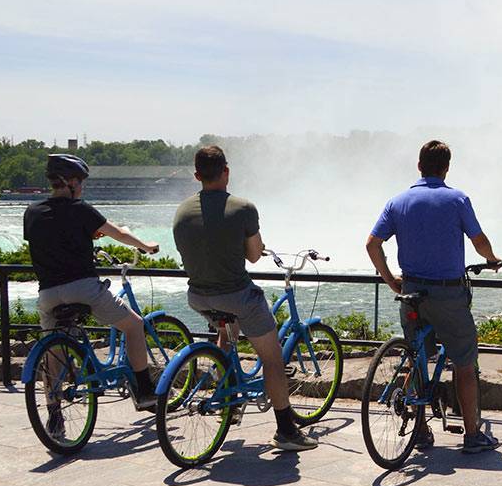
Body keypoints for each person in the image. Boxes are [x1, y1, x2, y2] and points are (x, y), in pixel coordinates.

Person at [172, 145, 317, 452]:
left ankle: (228, 398)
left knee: (226, 333)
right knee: (273, 360)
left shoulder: (181, 211)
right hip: (238, 296)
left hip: (198, 296)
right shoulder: (243, 208)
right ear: (226, 171)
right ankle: (286, 431)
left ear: (197, 175)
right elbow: (253, 256)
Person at [366, 139, 502, 455]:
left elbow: (373, 244)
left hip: (410, 291)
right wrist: (493, 259)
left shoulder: (397, 202)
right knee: (465, 364)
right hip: (448, 294)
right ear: (446, 168)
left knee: (416, 359)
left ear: (418, 166)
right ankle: (472, 436)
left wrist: (390, 281)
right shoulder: (457, 199)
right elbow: (478, 240)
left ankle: (421, 430)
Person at [24, 154, 162, 424]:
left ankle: (54, 412)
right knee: (134, 326)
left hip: (48, 293)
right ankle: (145, 392)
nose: (82, 187)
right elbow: (119, 234)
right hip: (83, 288)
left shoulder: (32, 212)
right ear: (71, 182)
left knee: (52, 351)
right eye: (81, 182)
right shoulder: (81, 209)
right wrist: (145, 246)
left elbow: (54, 238)